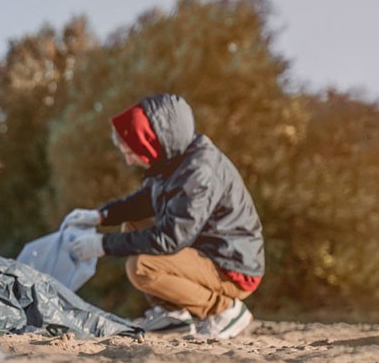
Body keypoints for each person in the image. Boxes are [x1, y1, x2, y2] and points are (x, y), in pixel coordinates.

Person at [62, 93, 265, 339]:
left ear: (151, 141)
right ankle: (172, 314)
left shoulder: (199, 172)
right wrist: (101, 215)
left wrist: (103, 244)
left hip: (232, 265)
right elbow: (145, 201)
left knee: (141, 267)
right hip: (208, 251)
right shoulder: (173, 159)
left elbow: (170, 238)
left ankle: (224, 310)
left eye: (131, 151)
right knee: (132, 223)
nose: (129, 160)